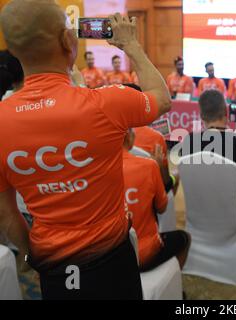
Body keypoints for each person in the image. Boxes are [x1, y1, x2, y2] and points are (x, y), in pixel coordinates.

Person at [0, 0, 171, 300]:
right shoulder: (104, 103)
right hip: (111, 259)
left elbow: (6, 214)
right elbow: (161, 98)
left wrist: (31, 257)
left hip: (51, 263)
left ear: (13, 50)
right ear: (69, 40)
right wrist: (130, 45)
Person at [123, 129, 190, 271]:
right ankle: (174, 282)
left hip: (109, 255)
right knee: (185, 238)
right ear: (129, 138)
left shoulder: (94, 170)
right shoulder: (149, 166)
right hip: (145, 252)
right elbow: (162, 207)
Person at [178, 90, 236, 211]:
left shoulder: (189, 141)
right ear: (226, 112)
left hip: (199, 215)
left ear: (202, 116)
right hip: (234, 217)